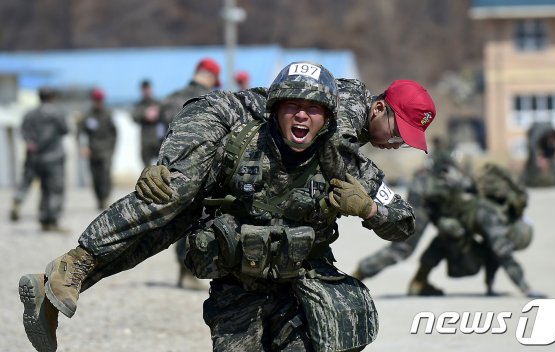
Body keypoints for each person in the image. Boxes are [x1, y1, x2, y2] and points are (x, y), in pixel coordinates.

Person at [18, 63, 435, 351]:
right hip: (219, 117)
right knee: (173, 191)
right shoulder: (342, 110)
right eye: (399, 132)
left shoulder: (352, 137)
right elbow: (337, 156)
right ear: (379, 108)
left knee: (172, 225)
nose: (398, 143)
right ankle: (74, 263)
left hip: (253, 171)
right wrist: (164, 163)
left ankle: (57, 287)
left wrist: (372, 208)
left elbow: (396, 213)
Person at [407, 162, 545, 298]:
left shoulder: (500, 213)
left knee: (455, 237)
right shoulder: (494, 219)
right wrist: (526, 289)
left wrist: (490, 286)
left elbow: (495, 253)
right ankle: (419, 282)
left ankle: (419, 281)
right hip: (446, 219)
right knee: (457, 244)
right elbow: (504, 254)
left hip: (451, 219)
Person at [352, 137, 456, 280]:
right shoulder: (443, 158)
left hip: (434, 200)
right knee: (403, 247)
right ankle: (360, 273)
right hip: (425, 200)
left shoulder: (440, 157)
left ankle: (419, 282)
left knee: (451, 235)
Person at [158, 57, 221, 289]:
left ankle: (182, 269)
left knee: (178, 219)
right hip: (201, 170)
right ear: (212, 77)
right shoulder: (211, 100)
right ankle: (189, 269)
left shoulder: (170, 99)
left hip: (171, 168)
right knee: (199, 219)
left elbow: (161, 135)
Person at [9, 87, 68, 231]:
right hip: (53, 157)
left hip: (34, 157)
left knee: (26, 182)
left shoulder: (30, 114)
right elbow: (65, 129)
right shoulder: (57, 113)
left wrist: (31, 143)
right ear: (52, 96)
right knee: (52, 189)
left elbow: (23, 131)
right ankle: (49, 220)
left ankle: (19, 199)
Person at [77, 88, 117, 210]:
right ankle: (99, 198)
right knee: (95, 177)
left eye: (100, 100)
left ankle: (105, 197)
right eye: (96, 100)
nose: (98, 102)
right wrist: (82, 147)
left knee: (105, 175)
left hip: (106, 150)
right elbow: (79, 132)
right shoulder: (87, 115)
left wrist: (111, 149)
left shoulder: (108, 114)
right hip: (92, 151)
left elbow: (114, 133)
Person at [132, 79, 162, 167]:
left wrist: (157, 113)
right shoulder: (139, 105)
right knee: (146, 168)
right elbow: (134, 117)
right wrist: (145, 114)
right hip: (145, 141)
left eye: (147, 88)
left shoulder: (158, 103)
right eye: (144, 89)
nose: (146, 91)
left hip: (158, 140)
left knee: (161, 166)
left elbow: (166, 116)